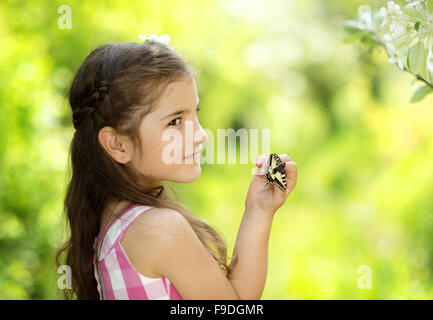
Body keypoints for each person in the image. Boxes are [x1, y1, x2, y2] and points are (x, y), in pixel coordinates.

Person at [55, 34, 298, 300]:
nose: (201, 135)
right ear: (117, 145)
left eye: (195, 113)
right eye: (175, 121)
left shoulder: (111, 222)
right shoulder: (160, 229)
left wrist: (259, 210)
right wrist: (258, 213)